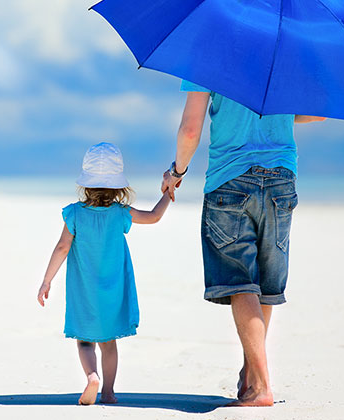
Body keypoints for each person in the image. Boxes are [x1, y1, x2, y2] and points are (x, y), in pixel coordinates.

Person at [161, 81, 325, 407]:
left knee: (241, 282)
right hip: (281, 176)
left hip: (230, 178)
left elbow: (191, 130)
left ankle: (262, 386)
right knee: (266, 282)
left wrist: (176, 171)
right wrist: (270, 112)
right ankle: (252, 373)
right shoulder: (284, 54)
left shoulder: (209, 53)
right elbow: (317, 115)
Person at [38, 142, 170, 406]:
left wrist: (46, 280)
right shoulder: (120, 213)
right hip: (113, 289)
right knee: (109, 343)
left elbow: (62, 247)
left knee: (85, 341)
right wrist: (168, 192)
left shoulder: (74, 213)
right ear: (118, 185)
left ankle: (91, 376)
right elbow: (154, 216)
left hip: (83, 290)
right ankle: (108, 392)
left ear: (85, 183)